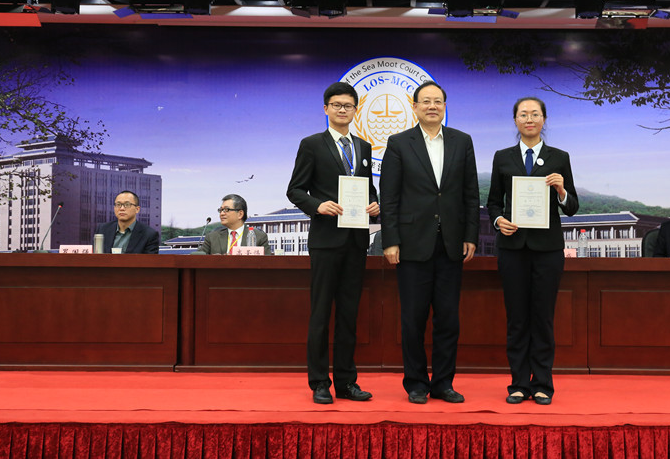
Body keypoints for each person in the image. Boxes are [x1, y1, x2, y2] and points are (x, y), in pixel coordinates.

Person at [380, 81, 479, 405]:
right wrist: (391, 240)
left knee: (448, 319)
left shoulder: (462, 141)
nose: (432, 106)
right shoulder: (398, 143)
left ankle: (444, 383)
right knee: (413, 319)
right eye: (426, 101)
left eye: (438, 101)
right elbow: (389, 196)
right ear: (415, 106)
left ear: (445, 106)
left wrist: (470, 235)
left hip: (451, 244)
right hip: (411, 244)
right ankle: (416, 384)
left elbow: (470, 193)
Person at [286, 82, 380, 405]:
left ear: (356, 110)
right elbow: (295, 190)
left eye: (348, 105)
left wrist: (374, 204)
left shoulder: (363, 147)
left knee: (349, 315)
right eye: (337, 105)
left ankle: (347, 382)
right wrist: (318, 205)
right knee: (321, 313)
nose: (342, 110)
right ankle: (319, 383)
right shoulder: (311, 144)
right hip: (326, 240)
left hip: (356, 240)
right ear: (326, 109)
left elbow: (368, 189)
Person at [486, 97, 579, 406]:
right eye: (523, 114)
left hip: (547, 250)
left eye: (535, 114)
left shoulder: (559, 157)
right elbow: (493, 202)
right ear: (515, 120)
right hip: (512, 248)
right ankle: (518, 384)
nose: (529, 119)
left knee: (543, 318)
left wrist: (562, 191)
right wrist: (499, 221)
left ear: (544, 119)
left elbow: (572, 207)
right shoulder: (503, 157)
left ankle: (542, 384)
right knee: (517, 319)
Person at [194, 193, 269, 255]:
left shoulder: (259, 237)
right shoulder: (212, 237)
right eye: (220, 210)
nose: (222, 213)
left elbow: (268, 263)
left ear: (240, 214)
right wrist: (215, 259)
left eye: (226, 210)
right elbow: (197, 259)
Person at [95, 190, 160, 254]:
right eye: (118, 204)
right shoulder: (103, 229)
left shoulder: (149, 235)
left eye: (127, 204)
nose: (122, 208)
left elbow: (149, 260)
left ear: (137, 209)